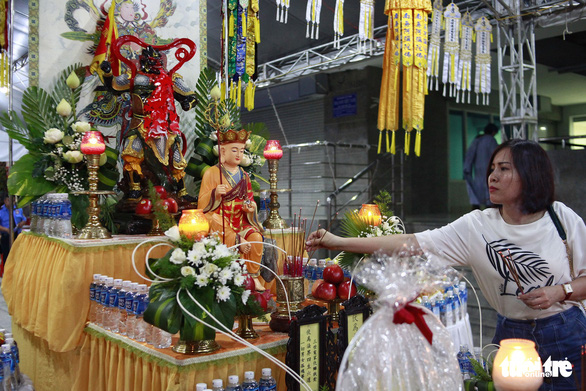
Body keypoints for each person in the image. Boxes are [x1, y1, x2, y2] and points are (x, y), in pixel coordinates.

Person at [307, 139, 586, 391]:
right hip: (509, 335)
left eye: (504, 169)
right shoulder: (477, 226)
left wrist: (559, 292)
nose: (492, 176)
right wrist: (337, 241)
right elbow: (410, 243)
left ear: (530, 174)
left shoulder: (561, 218)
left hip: (562, 333)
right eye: (492, 168)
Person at [198, 129, 266, 291]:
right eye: (234, 150)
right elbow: (201, 205)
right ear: (223, 151)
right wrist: (215, 194)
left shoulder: (244, 176)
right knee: (215, 220)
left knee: (256, 236)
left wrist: (250, 207)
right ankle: (237, 241)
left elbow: (249, 199)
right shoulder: (212, 173)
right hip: (220, 219)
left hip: (240, 221)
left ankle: (253, 275)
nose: (238, 155)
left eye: (241, 151)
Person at [463, 123, 499, 210]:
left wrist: (467, 169)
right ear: (493, 132)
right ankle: (488, 210)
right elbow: (496, 155)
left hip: (478, 170)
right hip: (489, 170)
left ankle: (476, 209)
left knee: (477, 192)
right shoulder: (491, 140)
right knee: (488, 192)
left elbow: (469, 155)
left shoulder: (477, 140)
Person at [0, 192, 27, 266]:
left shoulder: (19, 209)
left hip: (17, 235)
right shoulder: (1, 211)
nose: (12, 203)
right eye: (9, 200)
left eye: (13, 201)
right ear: (5, 201)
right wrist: (6, 230)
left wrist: (22, 223)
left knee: (18, 255)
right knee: (7, 256)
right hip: (6, 236)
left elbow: (24, 219)